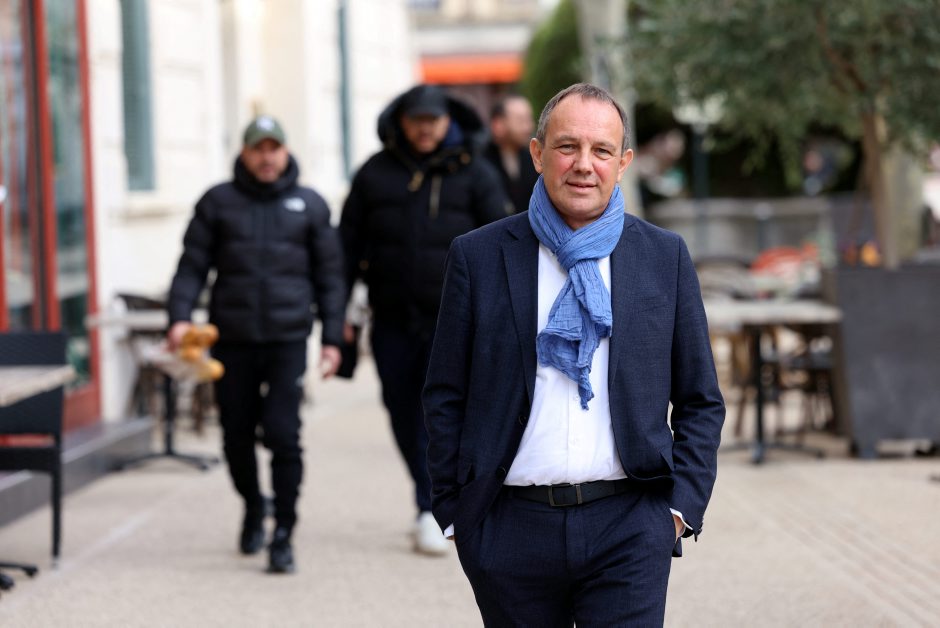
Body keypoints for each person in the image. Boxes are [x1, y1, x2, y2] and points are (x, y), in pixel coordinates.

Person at [423, 83, 725, 625]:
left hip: (630, 527)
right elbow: (445, 393)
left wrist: (678, 510)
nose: (584, 164)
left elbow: (700, 398)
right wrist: (456, 514)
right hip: (509, 530)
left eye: (601, 150)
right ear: (538, 154)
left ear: (623, 163)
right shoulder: (478, 256)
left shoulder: (664, 257)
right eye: (567, 146)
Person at [166, 115, 345, 574]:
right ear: (244, 153)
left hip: (287, 340)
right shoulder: (217, 202)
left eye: (274, 148)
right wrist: (180, 317)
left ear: (286, 152)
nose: (267, 157)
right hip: (233, 340)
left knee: (284, 434)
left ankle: (283, 532)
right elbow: (191, 266)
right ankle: (252, 505)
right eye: (258, 149)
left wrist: (331, 339)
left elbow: (330, 278)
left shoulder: (310, 204)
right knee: (236, 435)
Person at [340, 84, 508, 556]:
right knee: (400, 408)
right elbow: (345, 248)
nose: (424, 129)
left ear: (447, 121)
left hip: (455, 320)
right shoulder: (374, 174)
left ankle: (433, 506)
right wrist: (338, 317)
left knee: (445, 413)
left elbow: (502, 247)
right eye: (416, 121)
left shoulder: (476, 172)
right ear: (402, 122)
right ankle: (429, 496)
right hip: (392, 316)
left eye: (432, 121)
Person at [483, 94, 540, 214]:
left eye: (529, 120)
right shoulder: (481, 162)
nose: (528, 127)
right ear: (498, 124)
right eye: (521, 121)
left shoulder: (534, 159)